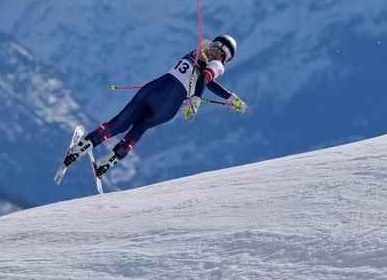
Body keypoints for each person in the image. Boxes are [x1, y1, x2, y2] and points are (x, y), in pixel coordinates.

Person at [63, 34, 248, 179]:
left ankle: (84, 145)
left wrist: (220, 97)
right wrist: (202, 99)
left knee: (119, 123)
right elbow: (206, 79)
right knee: (139, 130)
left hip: (156, 89)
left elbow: (204, 78)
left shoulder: (197, 52)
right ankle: (107, 162)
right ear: (226, 58)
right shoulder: (217, 65)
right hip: (169, 108)